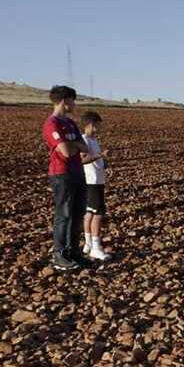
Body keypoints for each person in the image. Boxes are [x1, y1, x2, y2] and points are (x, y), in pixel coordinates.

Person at [42, 85, 90, 271]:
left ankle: (74, 252)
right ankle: (59, 254)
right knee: (64, 214)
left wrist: (73, 145)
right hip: (61, 173)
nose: (74, 104)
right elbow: (66, 152)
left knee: (77, 213)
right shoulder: (52, 124)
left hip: (77, 172)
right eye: (72, 100)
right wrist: (75, 145)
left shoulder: (71, 124)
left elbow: (84, 148)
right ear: (64, 101)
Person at [80, 111, 112, 261]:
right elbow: (83, 160)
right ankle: (96, 248)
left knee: (90, 213)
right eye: (98, 125)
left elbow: (96, 158)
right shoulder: (84, 140)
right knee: (98, 213)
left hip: (97, 180)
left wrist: (105, 164)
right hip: (91, 181)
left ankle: (88, 244)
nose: (99, 128)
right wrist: (101, 155)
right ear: (91, 124)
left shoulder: (93, 140)